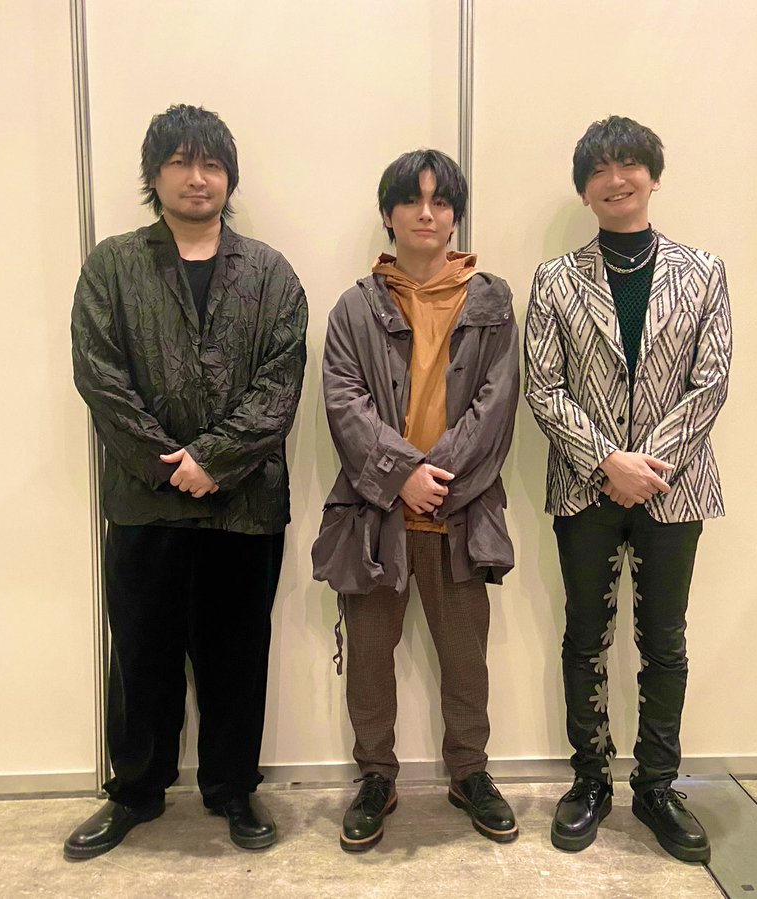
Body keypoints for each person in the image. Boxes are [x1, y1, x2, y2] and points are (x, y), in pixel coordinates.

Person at [65, 104, 307, 859]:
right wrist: (171, 463)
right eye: (180, 162)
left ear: (229, 177)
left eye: (211, 164)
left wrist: (214, 460)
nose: (197, 177)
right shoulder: (112, 265)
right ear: (155, 174)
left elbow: (281, 382)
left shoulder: (269, 272)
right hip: (145, 503)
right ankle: (134, 792)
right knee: (142, 654)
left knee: (237, 656)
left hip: (244, 505)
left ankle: (233, 789)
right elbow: (99, 374)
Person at [524, 115, 731, 861]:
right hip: (587, 488)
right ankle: (589, 782)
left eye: (629, 165)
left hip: (677, 489)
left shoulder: (704, 271)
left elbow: (712, 381)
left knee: (664, 640)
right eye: (599, 170)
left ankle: (656, 785)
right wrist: (609, 461)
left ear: (653, 175)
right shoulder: (555, 279)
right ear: (585, 190)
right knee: (585, 636)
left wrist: (648, 466)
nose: (616, 179)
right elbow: (543, 387)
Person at [312, 149, 520, 852]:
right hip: (375, 517)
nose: (426, 213)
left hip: (460, 513)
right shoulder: (355, 308)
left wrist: (438, 477)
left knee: (466, 657)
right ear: (388, 213)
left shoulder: (491, 303)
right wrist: (402, 474)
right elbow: (344, 403)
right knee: (370, 659)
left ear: (455, 215)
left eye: (440, 201)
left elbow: (496, 407)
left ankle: (470, 772)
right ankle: (376, 775)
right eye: (411, 199)